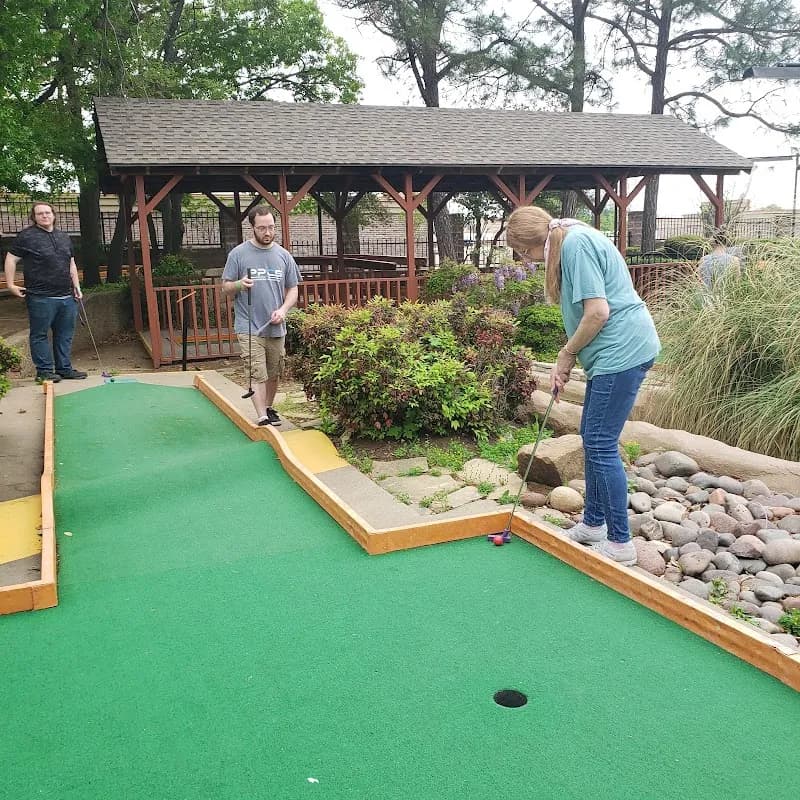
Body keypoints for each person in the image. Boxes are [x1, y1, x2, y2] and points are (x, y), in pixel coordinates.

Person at [507, 207, 661, 566]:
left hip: (622, 352)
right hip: (611, 355)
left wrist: (566, 354)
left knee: (601, 443)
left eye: (524, 254)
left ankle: (621, 543)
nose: (527, 261)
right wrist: (571, 358)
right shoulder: (568, 238)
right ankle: (593, 524)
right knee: (591, 437)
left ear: (532, 243)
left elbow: (597, 312)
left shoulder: (574, 244)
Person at [222, 206, 300, 426]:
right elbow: (225, 287)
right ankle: (262, 416)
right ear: (253, 228)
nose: (268, 232)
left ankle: (268, 407)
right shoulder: (238, 254)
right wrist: (239, 284)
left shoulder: (283, 256)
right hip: (249, 326)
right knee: (257, 371)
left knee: (274, 372)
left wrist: (284, 310)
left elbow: (293, 289)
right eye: (262, 228)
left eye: (271, 227)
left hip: (275, 326)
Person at [3, 202, 87, 383]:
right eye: (40, 213)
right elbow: (11, 259)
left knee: (65, 334)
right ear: (34, 217)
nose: (45, 216)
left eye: (48, 212)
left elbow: (71, 264)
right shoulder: (26, 236)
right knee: (39, 334)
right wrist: (10, 285)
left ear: (53, 215)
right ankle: (44, 371)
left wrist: (77, 287)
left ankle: (64, 369)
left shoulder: (64, 237)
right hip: (40, 297)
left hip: (67, 296)